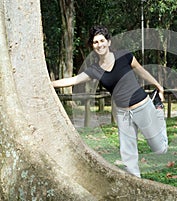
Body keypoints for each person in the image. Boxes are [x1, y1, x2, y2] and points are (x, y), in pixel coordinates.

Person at [52, 25, 168, 178]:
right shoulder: (94, 69)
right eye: (95, 42)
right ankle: (136, 186)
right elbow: (74, 80)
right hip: (122, 113)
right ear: (92, 46)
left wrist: (158, 86)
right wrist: (48, 83)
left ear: (109, 42)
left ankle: (158, 110)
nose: (99, 45)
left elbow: (141, 70)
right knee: (128, 156)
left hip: (142, 106)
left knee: (160, 149)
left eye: (102, 40)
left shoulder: (124, 56)